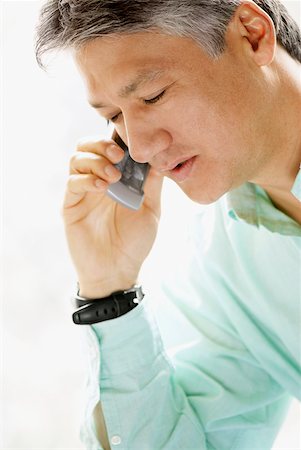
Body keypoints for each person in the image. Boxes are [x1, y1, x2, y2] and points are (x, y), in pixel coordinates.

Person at [35, 1, 301, 449]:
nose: (137, 149)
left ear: (253, 34)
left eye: (153, 96)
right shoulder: (227, 261)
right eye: (114, 117)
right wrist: (109, 291)